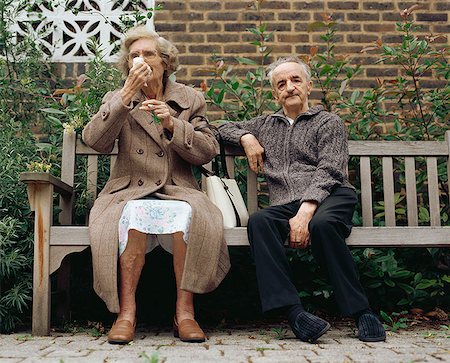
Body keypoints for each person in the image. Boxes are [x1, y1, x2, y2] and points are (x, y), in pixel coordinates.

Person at [219, 56, 386, 343]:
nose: (289, 87)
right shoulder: (266, 125)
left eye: (296, 80)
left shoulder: (328, 122)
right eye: (281, 83)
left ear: (308, 86)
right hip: (287, 203)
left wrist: (306, 211)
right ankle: (294, 313)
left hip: (332, 195)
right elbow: (218, 127)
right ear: (275, 94)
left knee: (322, 225)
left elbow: (331, 169)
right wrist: (247, 136)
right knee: (259, 222)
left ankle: (362, 312)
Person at [82, 25, 230, 345]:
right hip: (129, 188)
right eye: (134, 55)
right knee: (132, 213)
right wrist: (123, 99)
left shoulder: (189, 99)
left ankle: (185, 313)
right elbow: (94, 140)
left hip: (178, 187)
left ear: (165, 62)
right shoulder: (118, 98)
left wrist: (171, 123)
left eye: (148, 53)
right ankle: (126, 314)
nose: (141, 60)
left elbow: (207, 150)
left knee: (188, 213)